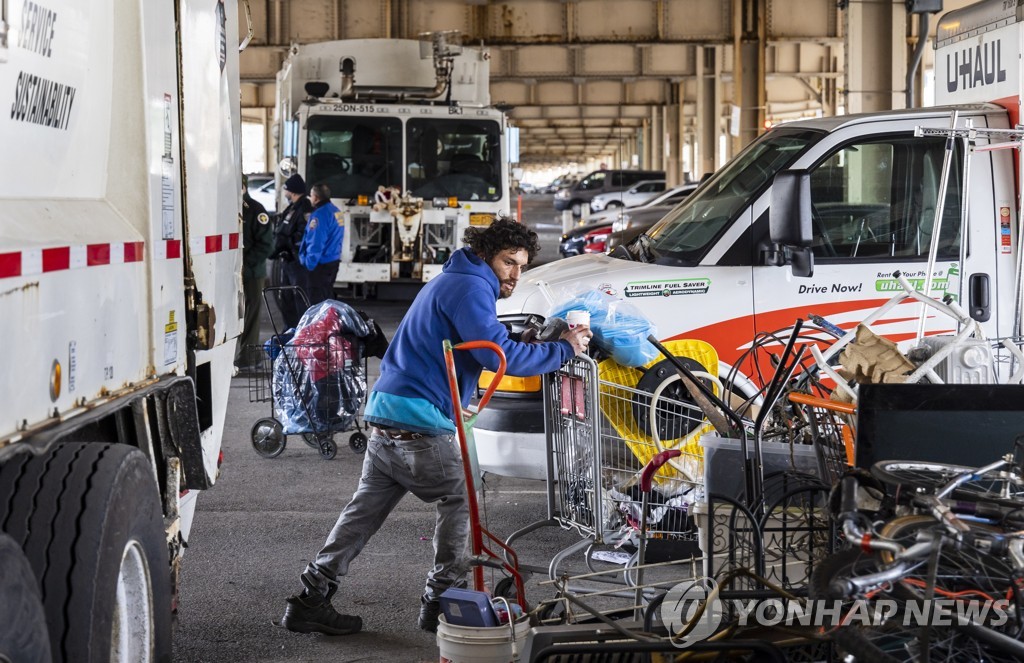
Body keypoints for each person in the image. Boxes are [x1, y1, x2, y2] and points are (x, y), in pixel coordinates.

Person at [280, 217, 592, 637]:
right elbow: (495, 353)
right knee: (461, 500)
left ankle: (311, 596)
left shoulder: (453, 279)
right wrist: (563, 350)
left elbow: (476, 340)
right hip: (420, 424)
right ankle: (443, 600)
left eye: (521, 265)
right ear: (485, 255)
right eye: (508, 262)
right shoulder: (470, 286)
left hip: (387, 416)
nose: (515, 275)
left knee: (363, 512)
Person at [236, 176, 276, 370]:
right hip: (234, 273)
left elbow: (266, 245)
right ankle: (242, 355)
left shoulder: (256, 210)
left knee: (250, 314)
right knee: (236, 315)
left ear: (242, 186)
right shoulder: (231, 207)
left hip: (251, 273)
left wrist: (245, 264)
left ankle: (248, 358)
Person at [271, 173, 313, 328]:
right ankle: (290, 329)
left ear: (293, 191)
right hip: (287, 260)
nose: (286, 193)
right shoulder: (292, 207)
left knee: (299, 297)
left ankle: (301, 331)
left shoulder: (305, 207)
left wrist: (288, 245)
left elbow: (304, 233)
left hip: (296, 261)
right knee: (287, 298)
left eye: (287, 190)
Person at [299, 183, 344, 306]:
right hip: (333, 262)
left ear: (316, 197)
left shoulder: (319, 215)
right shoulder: (336, 211)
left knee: (316, 303)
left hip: (320, 265)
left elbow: (316, 242)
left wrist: (309, 264)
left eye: (311, 195)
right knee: (327, 299)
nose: (310, 198)